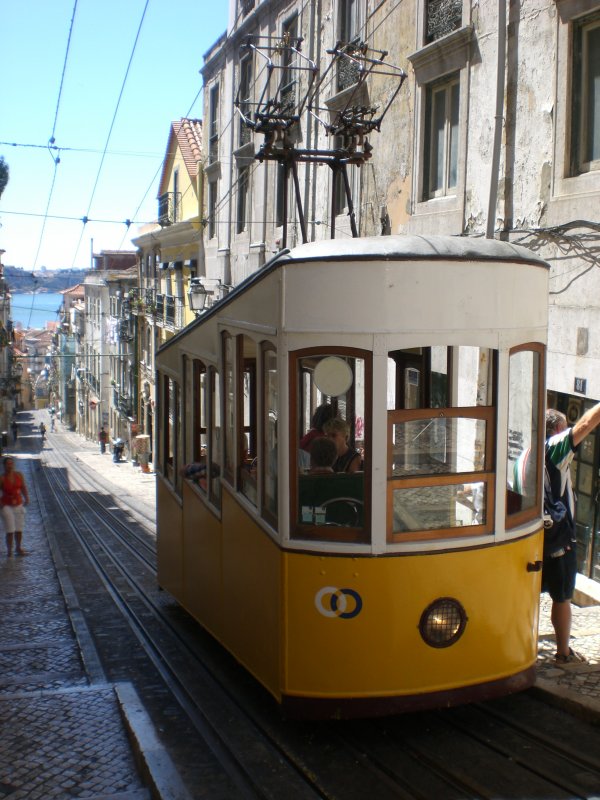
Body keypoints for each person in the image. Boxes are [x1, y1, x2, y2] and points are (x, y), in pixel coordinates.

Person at [544, 404, 600, 663]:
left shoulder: (529, 450)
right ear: (558, 429)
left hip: (535, 538)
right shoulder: (554, 448)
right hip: (559, 540)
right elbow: (586, 424)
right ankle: (563, 652)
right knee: (563, 597)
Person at [0, 457, 30, 556]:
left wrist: (26, 497)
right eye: (7, 464)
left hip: (18, 503)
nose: (10, 466)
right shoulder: (2, 478)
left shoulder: (19, 475)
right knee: (10, 530)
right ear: (4, 466)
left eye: (11, 463)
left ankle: (18, 548)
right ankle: (9, 551)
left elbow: (23, 487)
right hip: (6, 505)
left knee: (19, 528)